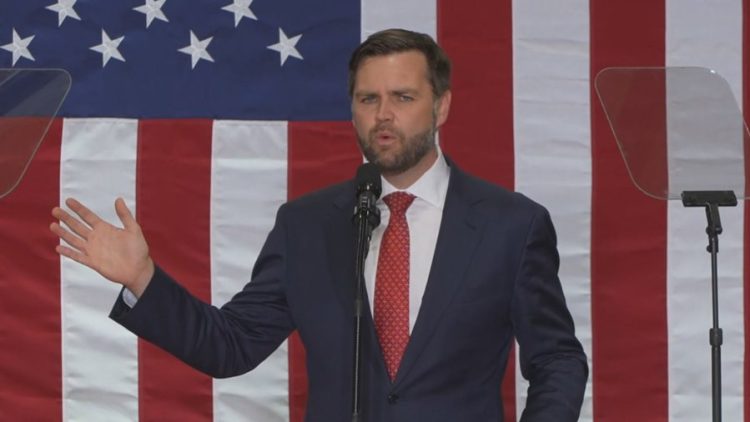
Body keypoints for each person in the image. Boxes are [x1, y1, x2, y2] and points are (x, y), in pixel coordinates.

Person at [50, 28, 587, 421]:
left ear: (440, 106)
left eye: (403, 97)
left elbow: (558, 359)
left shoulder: (510, 225)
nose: (383, 115)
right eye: (368, 99)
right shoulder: (305, 225)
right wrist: (143, 279)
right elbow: (230, 345)